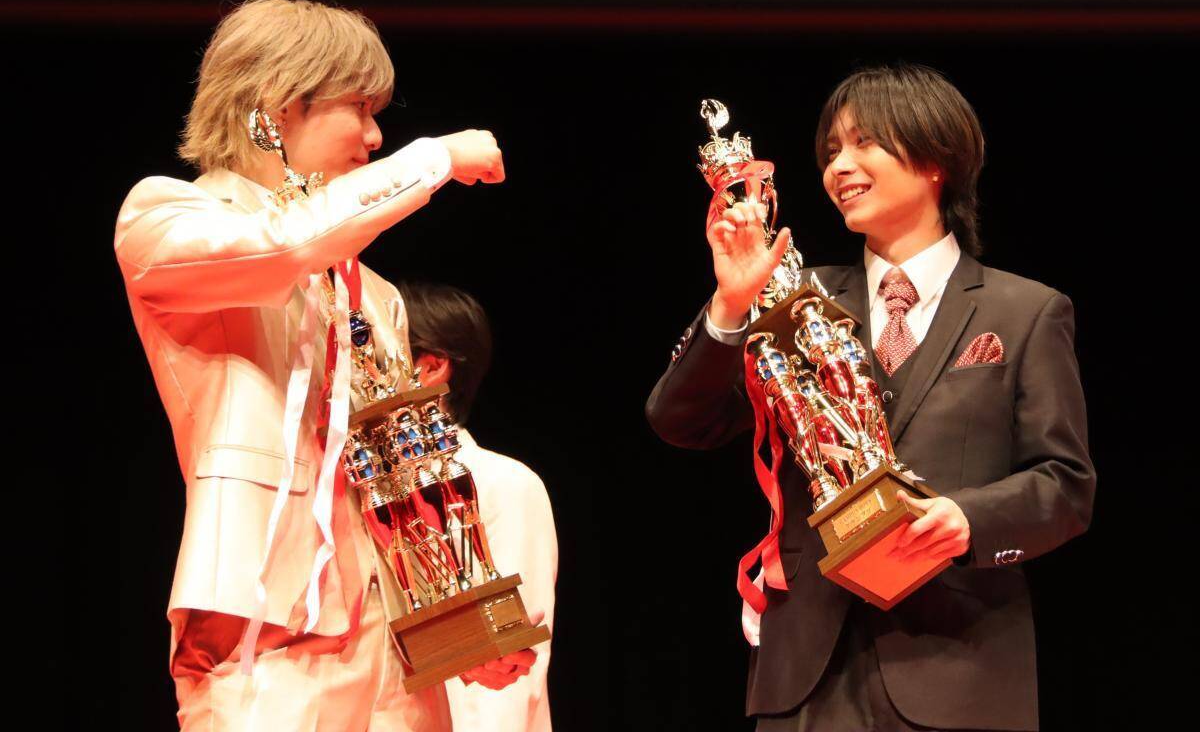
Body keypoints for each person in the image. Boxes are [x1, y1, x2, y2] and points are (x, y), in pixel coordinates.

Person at [114, 0, 532, 731]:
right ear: (277, 109)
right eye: (360, 108)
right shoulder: (163, 219)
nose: (375, 136)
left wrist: (461, 622)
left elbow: (401, 466)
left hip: (395, 656)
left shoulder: (372, 292)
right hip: (261, 640)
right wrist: (434, 157)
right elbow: (283, 248)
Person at [646, 64, 1095, 731]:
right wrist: (732, 304)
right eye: (831, 151)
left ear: (936, 157)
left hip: (960, 666)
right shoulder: (798, 299)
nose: (839, 167)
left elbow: (1065, 486)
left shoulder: (1025, 311)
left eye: (864, 144)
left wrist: (968, 520)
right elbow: (683, 420)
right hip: (808, 675)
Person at [397, 279, 558, 731]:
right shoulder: (353, 490)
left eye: (378, 352)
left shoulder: (503, 485)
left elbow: (506, 668)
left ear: (431, 367)